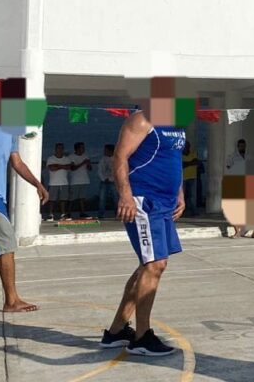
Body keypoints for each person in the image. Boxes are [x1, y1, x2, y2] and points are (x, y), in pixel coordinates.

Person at [99, 109, 186, 356]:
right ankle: (142, 337)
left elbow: (173, 159)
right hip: (143, 200)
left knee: (147, 265)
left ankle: (116, 331)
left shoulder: (178, 122)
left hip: (165, 203)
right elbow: (120, 156)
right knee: (154, 265)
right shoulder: (142, 119)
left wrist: (179, 194)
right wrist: (125, 195)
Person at [0, 79, 50, 312]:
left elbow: (17, 162)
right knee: (7, 245)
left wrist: (37, 183)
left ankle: (11, 300)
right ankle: (11, 301)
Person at [225, 139, 254, 239]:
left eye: (243, 146)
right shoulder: (232, 157)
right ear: (237, 146)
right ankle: (237, 232)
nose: (242, 147)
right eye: (240, 146)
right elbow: (229, 169)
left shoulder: (249, 157)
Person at [45, 143, 73, 220]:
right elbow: (52, 168)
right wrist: (63, 166)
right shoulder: (51, 158)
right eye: (58, 148)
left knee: (63, 200)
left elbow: (69, 167)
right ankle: (50, 214)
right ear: (55, 149)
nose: (60, 150)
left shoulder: (66, 159)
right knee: (51, 200)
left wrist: (58, 165)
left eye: (62, 148)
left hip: (64, 182)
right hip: (53, 183)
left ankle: (63, 214)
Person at [68, 142, 93, 219]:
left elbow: (90, 169)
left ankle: (82, 212)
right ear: (77, 148)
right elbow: (72, 168)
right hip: (75, 181)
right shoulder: (71, 157)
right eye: (82, 147)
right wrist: (83, 163)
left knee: (82, 198)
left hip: (84, 180)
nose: (84, 149)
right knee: (72, 198)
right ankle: (68, 213)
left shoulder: (85, 156)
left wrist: (88, 164)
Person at [96, 144, 117, 219]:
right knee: (102, 198)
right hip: (104, 182)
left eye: (106, 150)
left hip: (114, 182)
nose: (104, 151)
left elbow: (116, 171)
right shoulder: (103, 159)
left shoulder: (116, 159)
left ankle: (117, 213)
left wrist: (111, 179)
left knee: (115, 198)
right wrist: (104, 178)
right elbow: (100, 170)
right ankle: (101, 214)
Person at [181, 142, 198, 217]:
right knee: (182, 196)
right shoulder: (180, 155)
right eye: (185, 146)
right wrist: (191, 162)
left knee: (192, 196)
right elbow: (182, 165)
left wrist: (186, 163)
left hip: (192, 177)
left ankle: (194, 211)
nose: (186, 147)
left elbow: (196, 162)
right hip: (183, 178)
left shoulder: (193, 153)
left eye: (187, 146)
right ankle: (181, 212)